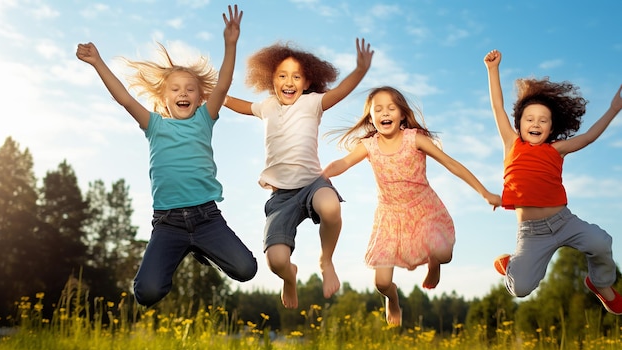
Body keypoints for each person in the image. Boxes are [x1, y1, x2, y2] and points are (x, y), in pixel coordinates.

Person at [76, 4, 257, 308]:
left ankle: (202, 250)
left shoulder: (205, 118)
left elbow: (223, 84)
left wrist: (230, 44)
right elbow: (123, 98)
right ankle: (179, 252)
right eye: (175, 89)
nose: (183, 93)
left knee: (246, 269)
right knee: (146, 294)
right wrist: (97, 62)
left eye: (190, 89)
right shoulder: (153, 124)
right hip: (168, 223)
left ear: (201, 97)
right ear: (164, 98)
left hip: (206, 218)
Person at [322, 86, 501, 326]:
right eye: (378, 109)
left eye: (391, 108)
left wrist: (484, 192)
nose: (385, 112)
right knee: (381, 283)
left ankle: (434, 263)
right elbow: (343, 163)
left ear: (402, 115)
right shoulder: (370, 145)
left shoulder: (414, 139)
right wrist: (322, 175)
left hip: (423, 210)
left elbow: (451, 163)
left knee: (443, 253)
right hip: (390, 216)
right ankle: (392, 299)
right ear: (372, 118)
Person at [223, 38, 374, 308]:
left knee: (330, 208)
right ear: (272, 80)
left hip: (312, 184)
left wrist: (360, 70)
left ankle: (326, 260)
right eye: (282, 75)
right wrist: (214, 93)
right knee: (276, 261)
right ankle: (289, 278)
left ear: (307, 83)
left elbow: (340, 92)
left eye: (296, 76)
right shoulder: (267, 106)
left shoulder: (313, 103)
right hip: (281, 196)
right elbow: (238, 104)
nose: (289, 81)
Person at [484, 49, 622, 314]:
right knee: (521, 288)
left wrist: (614, 109)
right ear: (519, 123)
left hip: (564, 221)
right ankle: (510, 266)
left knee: (601, 242)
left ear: (551, 127)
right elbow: (496, 106)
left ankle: (600, 283)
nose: (536, 123)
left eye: (543, 120)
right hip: (532, 233)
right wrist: (493, 70)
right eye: (530, 119)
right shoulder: (511, 143)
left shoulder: (556, 149)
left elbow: (590, 136)